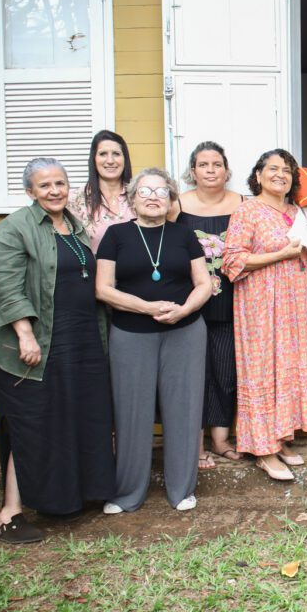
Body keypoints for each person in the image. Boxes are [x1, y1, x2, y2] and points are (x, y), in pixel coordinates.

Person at [0, 158, 115, 543]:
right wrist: (24, 333)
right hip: (39, 341)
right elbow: (4, 282)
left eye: (59, 183)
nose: (54, 190)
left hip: (81, 339)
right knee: (32, 424)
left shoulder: (73, 226)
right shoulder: (16, 227)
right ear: (30, 192)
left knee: (74, 418)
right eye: (44, 185)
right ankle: (10, 512)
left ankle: (71, 498)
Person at [96, 168, 212, 513]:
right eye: (144, 191)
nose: (152, 196)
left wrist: (182, 311)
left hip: (185, 332)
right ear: (132, 199)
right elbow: (103, 289)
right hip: (131, 334)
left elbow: (203, 283)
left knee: (184, 411)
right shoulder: (115, 235)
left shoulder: (183, 235)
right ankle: (127, 493)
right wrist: (146, 307)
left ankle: (182, 490)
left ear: (171, 199)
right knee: (132, 413)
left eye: (161, 191)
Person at [222, 149, 307, 482]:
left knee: (288, 368)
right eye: (273, 169)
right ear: (258, 176)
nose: (280, 174)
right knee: (263, 369)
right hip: (262, 304)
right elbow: (232, 261)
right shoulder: (247, 211)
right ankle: (263, 451)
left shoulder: (300, 212)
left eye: (287, 170)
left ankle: (279, 439)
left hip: (298, 305)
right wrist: (281, 254)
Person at [170, 141, 244, 470]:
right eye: (203, 164)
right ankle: (195, 444)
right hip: (190, 300)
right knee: (193, 375)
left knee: (226, 373)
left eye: (217, 164)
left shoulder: (242, 203)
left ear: (226, 171)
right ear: (193, 171)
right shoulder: (178, 205)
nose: (211, 170)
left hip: (233, 300)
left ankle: (220, 440)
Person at [68, 130, 136, 252]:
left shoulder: (139, 195)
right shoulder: (75, 199)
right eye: (103, 154)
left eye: (116, 154)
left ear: (125, 159)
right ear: (94, 159)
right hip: (94, 270)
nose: (110, 160)